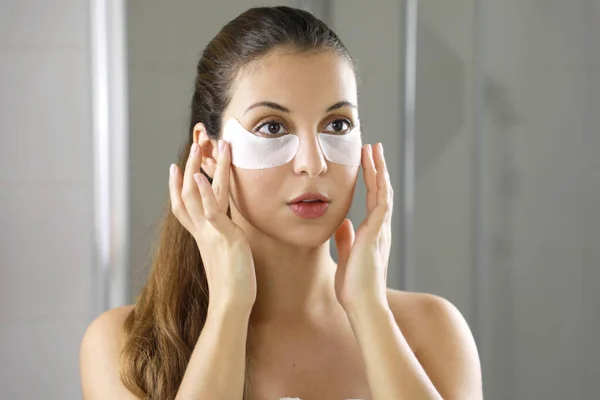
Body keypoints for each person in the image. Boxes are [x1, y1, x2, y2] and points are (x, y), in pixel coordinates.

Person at [79, 6, 482, 400]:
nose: (314, 163)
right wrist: (229, 308)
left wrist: (370, 313)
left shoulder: (433, 331)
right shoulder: (122, 347)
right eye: (272, 127)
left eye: (337, 124)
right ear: (207, 153)